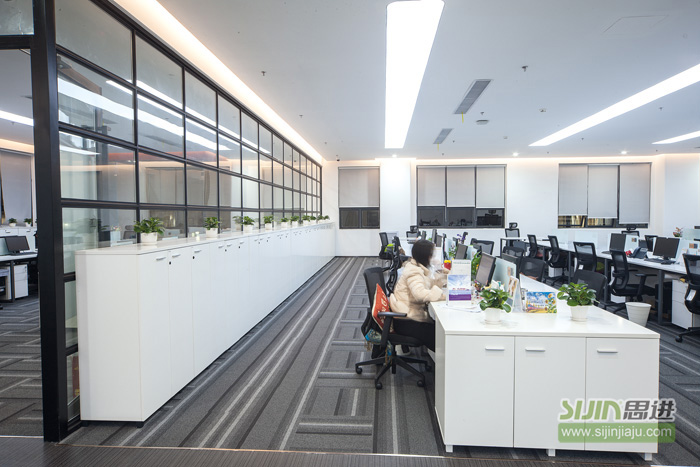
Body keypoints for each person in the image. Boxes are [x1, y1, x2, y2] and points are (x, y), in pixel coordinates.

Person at [389, 239, 446, 351]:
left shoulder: (414, 267)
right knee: (441, 338)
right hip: (407, 321)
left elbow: (425, 284)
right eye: (431, 255)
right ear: (425, 256)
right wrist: (444, 296)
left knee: (440, 331)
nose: (433, 258)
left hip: (406, 316)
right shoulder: (414, 272)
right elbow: (420, 294)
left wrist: (442, 279)